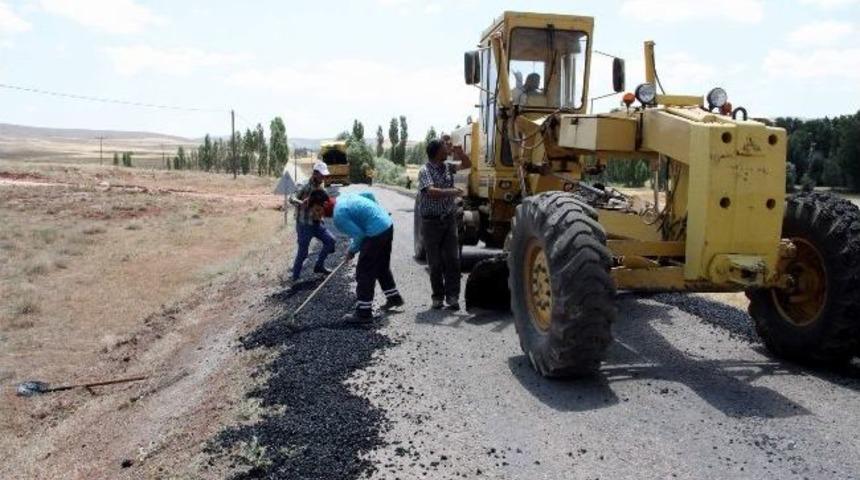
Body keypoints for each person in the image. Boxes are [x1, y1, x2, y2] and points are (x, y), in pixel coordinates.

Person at [324, 192, 404, 323]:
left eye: (317, 210)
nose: (319, 215)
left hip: (375, 233)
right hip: (386, 225)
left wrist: (352, 250)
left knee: (364, 271)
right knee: (381, 266)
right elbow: (369, 195)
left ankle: (364, 313)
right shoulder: (342, 198)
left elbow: (359, 235)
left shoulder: (338, 216)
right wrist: (378, 212)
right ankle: (394, 297)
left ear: (325, 204)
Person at [417, 138, 471, 310]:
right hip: (431, 223)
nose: (447, 147)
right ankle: (438, 297)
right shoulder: (425, 170)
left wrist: (461, 153)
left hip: (448, 220)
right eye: (444, 146)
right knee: (435, 262)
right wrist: (453, 192)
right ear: (436, 152)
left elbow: (467, 164)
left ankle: (453, 297)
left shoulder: (448, 167)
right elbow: (431, 192)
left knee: (453, 260)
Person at [288, 161, 336, 283]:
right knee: (303, 253)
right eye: (322, 175)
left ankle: (319, 266)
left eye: (325, 175)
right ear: (315, 173)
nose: (324, 177)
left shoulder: (321, 186)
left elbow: (321, 204)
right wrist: (300, 203)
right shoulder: (304, 185)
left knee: (330, 241)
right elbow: (291, 198)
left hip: (316, 223)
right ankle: (295, 278)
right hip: (304, 225)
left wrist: (322, 217)